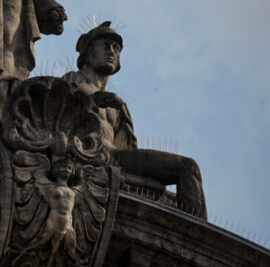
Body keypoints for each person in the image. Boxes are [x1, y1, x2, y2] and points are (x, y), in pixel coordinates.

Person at [64, 22, 207, 218]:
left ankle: (193, 239)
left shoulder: (117, 106)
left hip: (117, 158)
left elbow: (128, 147)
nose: (112, 51)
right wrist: (92, 100)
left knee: (189, 169)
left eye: (116, 48)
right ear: (88, 53)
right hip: (91, 155)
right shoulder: (73, 81)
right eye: (105, 45)